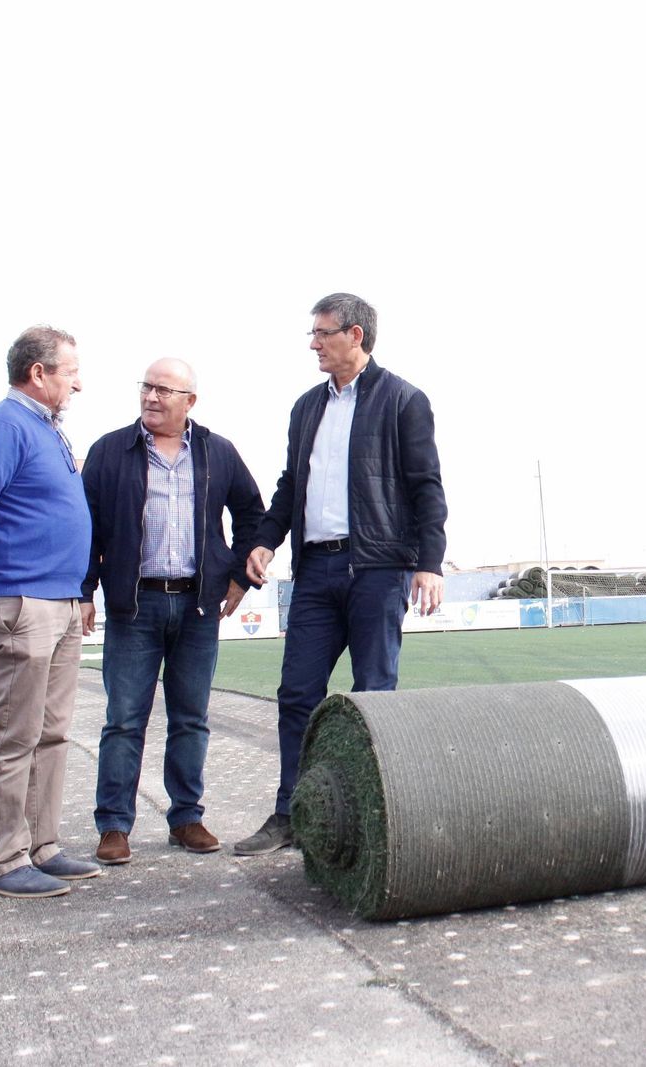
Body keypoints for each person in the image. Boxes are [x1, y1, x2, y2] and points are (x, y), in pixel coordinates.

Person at [234, 292, 448, 856]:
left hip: (377, 568)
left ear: (355, 335)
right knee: (297, 692)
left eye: (322, 333)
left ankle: (371, 817)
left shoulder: (404, 400)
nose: (313, 343)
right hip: (315, 570)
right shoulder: (307, 407)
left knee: (374, 694)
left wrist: (429, 563)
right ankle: (289, 813)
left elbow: (426, 486)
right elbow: (289, 486)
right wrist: (264, 540)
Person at [80, 359, 265, 865]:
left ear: (190, 401)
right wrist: (84, 590)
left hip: (199, 605)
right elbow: (86, 526)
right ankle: (114, 826)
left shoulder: (217, 452)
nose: (151, 398)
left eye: (164, 390)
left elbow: (252, 511)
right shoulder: (109, 452)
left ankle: (186, 817)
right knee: (123, 719)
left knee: (190, 718)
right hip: (133, 606)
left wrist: (240, 575)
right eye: (146, 387)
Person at [0, 325, 101, 898]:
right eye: (70, 371)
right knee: (13, 735)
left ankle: (42, 845)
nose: (78, 383)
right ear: (39, 373)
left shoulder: (45, 430)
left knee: (52, 733)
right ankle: (2, 860)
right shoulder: (5, 426)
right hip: (21, 601)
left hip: (58, 602)